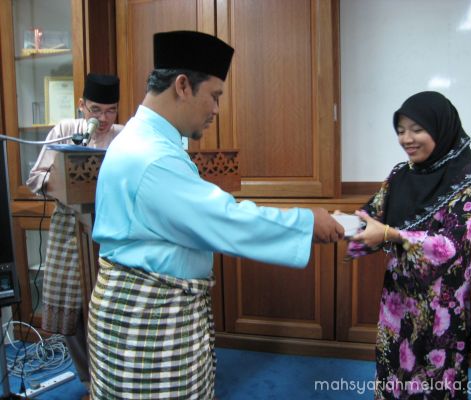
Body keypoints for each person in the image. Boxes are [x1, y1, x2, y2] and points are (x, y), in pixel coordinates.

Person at [87, 30, 344, 400]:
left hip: (155, 309)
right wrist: (306, 222)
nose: (216, 110)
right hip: (148, 319)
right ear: (182, 86)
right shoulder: (150, 155)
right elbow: (225, 219)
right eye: (215, 95)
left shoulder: (145, 141)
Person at [344, 91, 471, 399]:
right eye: (400, 130)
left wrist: (392, 235)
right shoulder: (400, 174)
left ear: (440, 128)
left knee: (436, 381)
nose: (406, 139)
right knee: (394, 372)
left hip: (442, 305)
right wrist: (334, 225)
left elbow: (451, 244)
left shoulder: (468, 181)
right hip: (398, 298)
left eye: (417, 129)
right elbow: (372, 215)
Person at [26, 73, 122, 396]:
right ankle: (88, 379)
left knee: (107, 309)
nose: (104, 119)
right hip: (69, 228)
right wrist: (67, 184)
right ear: (82, 106)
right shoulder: (66, 130)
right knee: (70, 312)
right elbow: (35, 178)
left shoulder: (124, 135)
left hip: (111, 229)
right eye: (96, 110)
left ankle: (111, 380)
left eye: (111, 110)